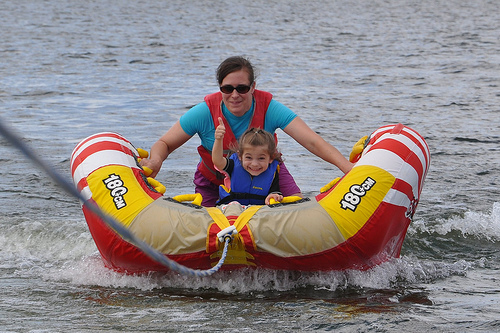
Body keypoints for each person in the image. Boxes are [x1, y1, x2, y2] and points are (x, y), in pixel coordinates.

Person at [140, 56, 353, 206]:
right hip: (214, 181)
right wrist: (156, 160)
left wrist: (347, 168)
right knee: (206, 231)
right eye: (227, 88)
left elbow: (312, 141)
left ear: (253, 87)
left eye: (242, 88)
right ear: (220, 88)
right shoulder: (204, 112)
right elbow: (165, 143)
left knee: (297, 210)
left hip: (268, 176)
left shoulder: (270, 108)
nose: (234, 95)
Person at [212, 118, 296, 205]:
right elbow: (218, 161)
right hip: (232, 210)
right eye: (249, 157)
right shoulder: (232, 165)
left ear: (271, 158)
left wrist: (274, 196)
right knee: (234, 204)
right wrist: (218, 139)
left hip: (257, 213)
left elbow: (274, 192)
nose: (255, 164)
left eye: (261, 158)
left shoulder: (273, 172)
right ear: (240, 156)